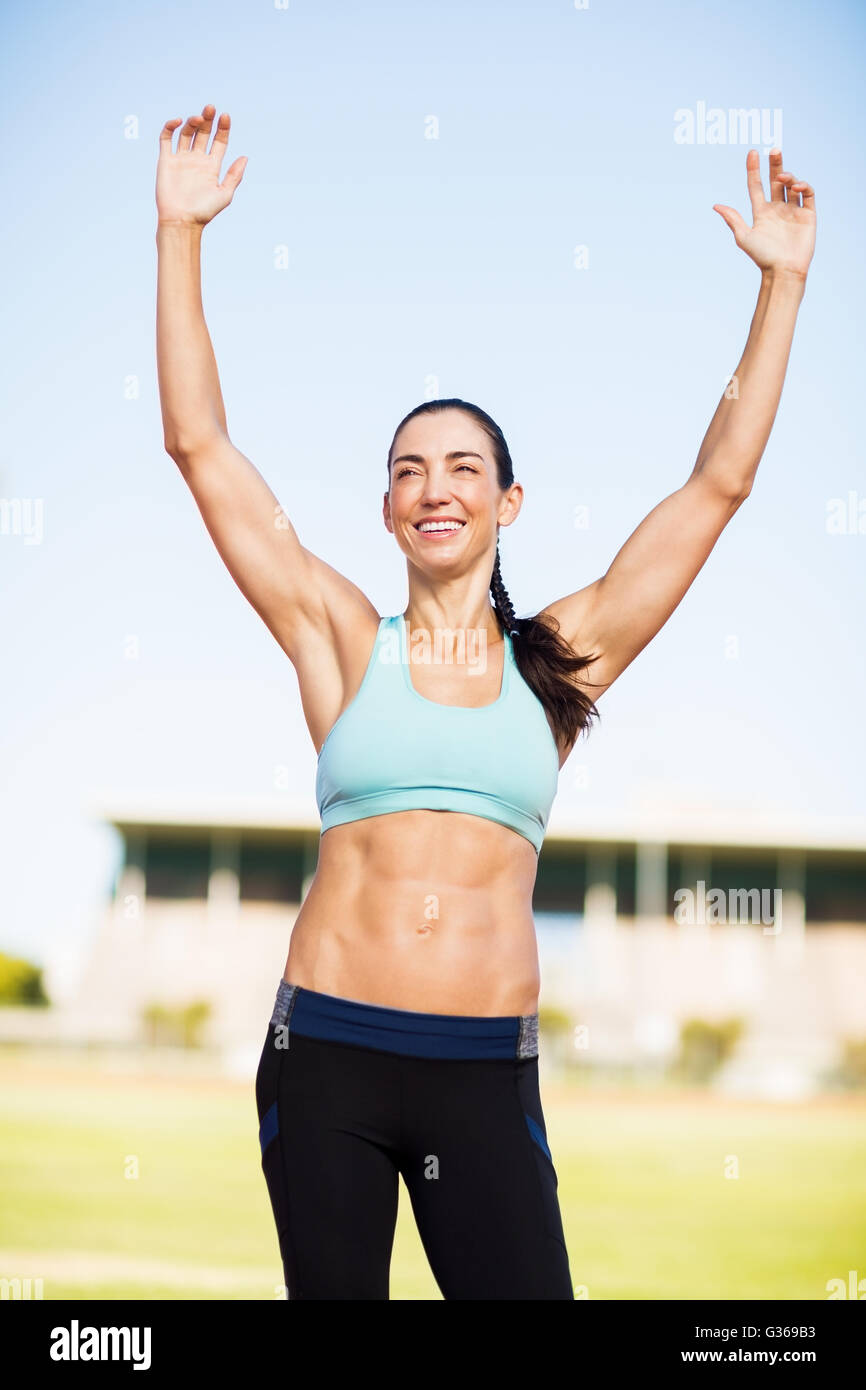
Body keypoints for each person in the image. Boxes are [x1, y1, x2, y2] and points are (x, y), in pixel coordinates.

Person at [155, 104, 815, 1300]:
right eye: (408, 468)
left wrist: (779, 285)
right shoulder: (341, 636)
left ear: (508, 502)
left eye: (463, 466)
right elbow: (199, 444)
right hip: (328, 1057)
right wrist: (178, 232)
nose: (433, 486)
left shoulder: (559, 656)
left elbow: (717, 484)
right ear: (388, 506)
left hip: (479, 1069)